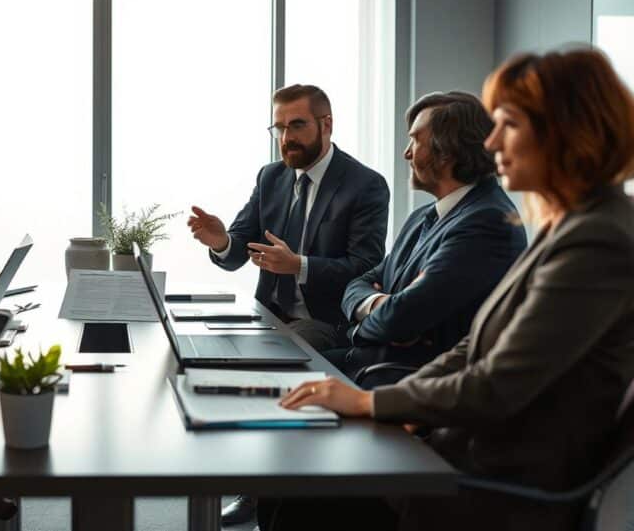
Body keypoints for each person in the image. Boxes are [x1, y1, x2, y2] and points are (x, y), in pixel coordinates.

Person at [262, 47, 634, 531]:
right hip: (472, 443)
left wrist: (373, 403)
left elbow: (497, 381)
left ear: (567, 130)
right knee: (301, 472)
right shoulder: (572, 225)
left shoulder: (597, 238)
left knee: (304, 492)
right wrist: (401, 401)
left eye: (510, 124)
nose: (492, 140)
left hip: (498, 475)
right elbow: (474, 347)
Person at [188, 84, 390, 525]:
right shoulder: (271, 177)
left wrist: (299, 265)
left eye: (296, 125)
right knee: (199, 352)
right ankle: (251, 481)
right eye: (279, 128)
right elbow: (239, 248)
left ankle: (264, 495)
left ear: (326, 125)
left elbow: (366, 267)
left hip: (327, 320)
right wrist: (222, 241)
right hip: (268, 314)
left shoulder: (366, 185)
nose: (286, 139)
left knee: (279, 358)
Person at [332, 92, 527, 383]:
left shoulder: (488, 222)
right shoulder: (422, 216)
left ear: (447, 151)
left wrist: (380, 314)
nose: (406, 153)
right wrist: (378, 304)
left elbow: (400, 321)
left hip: (400, 381)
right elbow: (357, 284)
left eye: (415, 140)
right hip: (367, 363)